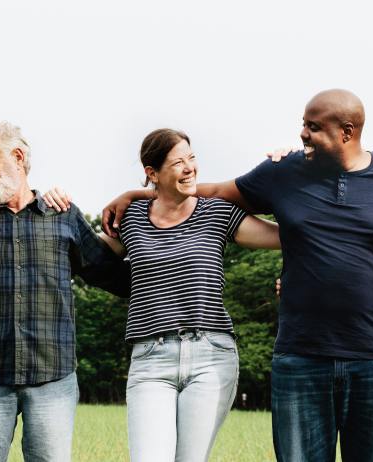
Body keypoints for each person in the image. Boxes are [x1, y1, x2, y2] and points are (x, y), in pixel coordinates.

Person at [101, 89, 373, 461]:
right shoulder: (283, 172)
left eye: (313, 127)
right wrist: (139, 192)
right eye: (303, 124)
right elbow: (213, 192)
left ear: (347, 132)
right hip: (300, 356)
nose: (302, 134)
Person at [93, 128, 280, 461]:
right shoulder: (132, 216)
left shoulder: (217, 212)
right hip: (150, 359)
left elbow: (286, 237)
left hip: (211, 356)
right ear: (153, 173)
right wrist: (55, 213)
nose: (190, 168)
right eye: (178, 163)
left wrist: (292, 176)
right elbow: (89, 254)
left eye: (191, 158)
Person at [0, 122, 130, 462]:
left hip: (53, 377)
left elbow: (115, 277)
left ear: (17, 157)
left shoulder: (64, 217)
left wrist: (147, 216)